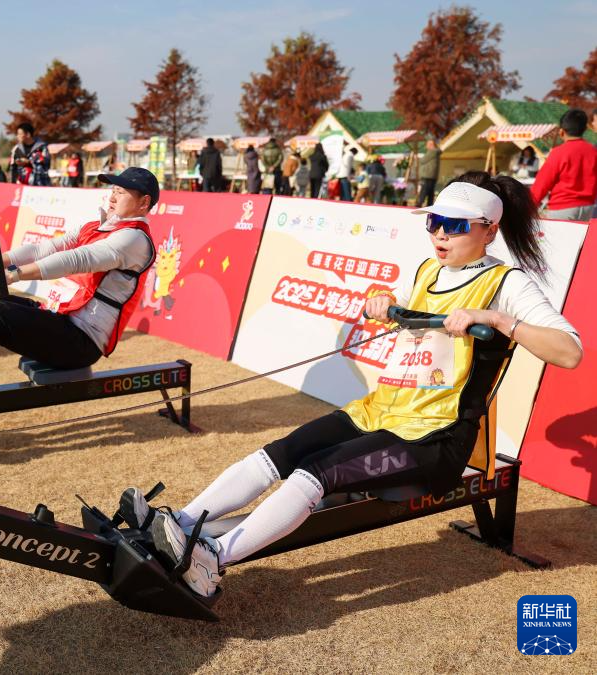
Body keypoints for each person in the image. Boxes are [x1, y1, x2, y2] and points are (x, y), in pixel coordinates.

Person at [120, 171, 582, 597]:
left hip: (436, 437)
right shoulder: (428, 270)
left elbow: (569, 351)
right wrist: (381, 300)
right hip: (380, 412)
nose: (440, 234)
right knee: (281, 452)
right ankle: (178, 522)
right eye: (435, 222)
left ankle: (213, 562)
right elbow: (396, 303)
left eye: (455, 226)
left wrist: (497, 320)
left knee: (317, 471)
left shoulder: (507, 284)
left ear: (489, 231)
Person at [0, 166, 157, 407]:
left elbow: (77, 259)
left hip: (80, 341)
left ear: (144, 202)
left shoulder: (134, 238)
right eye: (113, 190)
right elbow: (43, 249)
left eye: (121, 192)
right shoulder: (96, 226)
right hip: (58, 318)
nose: (112, 197)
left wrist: (14, 275)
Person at [530, 108, 597, 221]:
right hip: (588, 207)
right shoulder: (593, 151)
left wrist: (529, 206)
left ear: (561, 132)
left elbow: (542, 184)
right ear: (585, 129)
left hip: (562, 207)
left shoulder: (558, 152)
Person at [417, 139, 441, 207]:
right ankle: (429, 207)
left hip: (428, 175)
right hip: (431, 176)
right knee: (430, 193)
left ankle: (418, 206)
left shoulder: (433, 151)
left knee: (423, 193)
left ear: (431, 145)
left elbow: (423, 160)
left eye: (428, 144)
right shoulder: (435, 152)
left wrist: (417, 158)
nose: (426, 146)